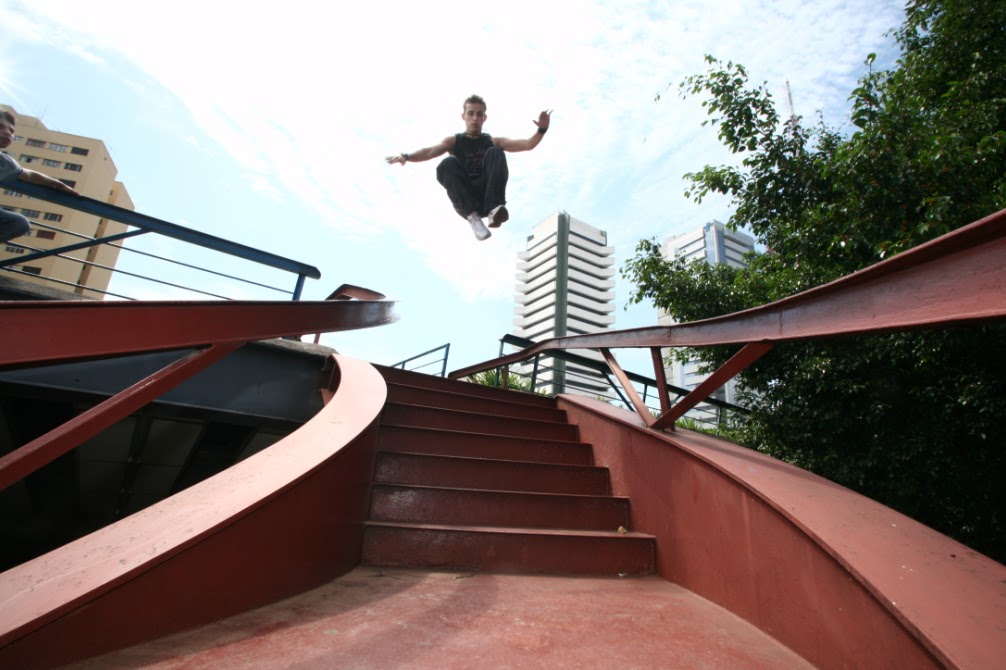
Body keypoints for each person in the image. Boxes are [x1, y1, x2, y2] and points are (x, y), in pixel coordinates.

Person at [386, 94, 551, 241]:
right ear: (463, 116)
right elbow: (430, 151)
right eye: (470, 113)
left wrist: (541, 129)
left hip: (487, 196)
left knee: (496, 152)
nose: (474, 118)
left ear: (484, 118)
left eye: (479, 114)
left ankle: (494, 210)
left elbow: (527, 144)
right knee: (447, 163)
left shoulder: (492, 141)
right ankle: (474, 219)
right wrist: (406, 157)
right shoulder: (454, 141)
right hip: (465, 198)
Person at [0, 109, 80, 243]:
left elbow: (30, 175)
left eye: (12, 131)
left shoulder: (5, 163)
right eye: (1, 127)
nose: (8, 132)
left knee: (20, 223)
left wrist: (58, 184)